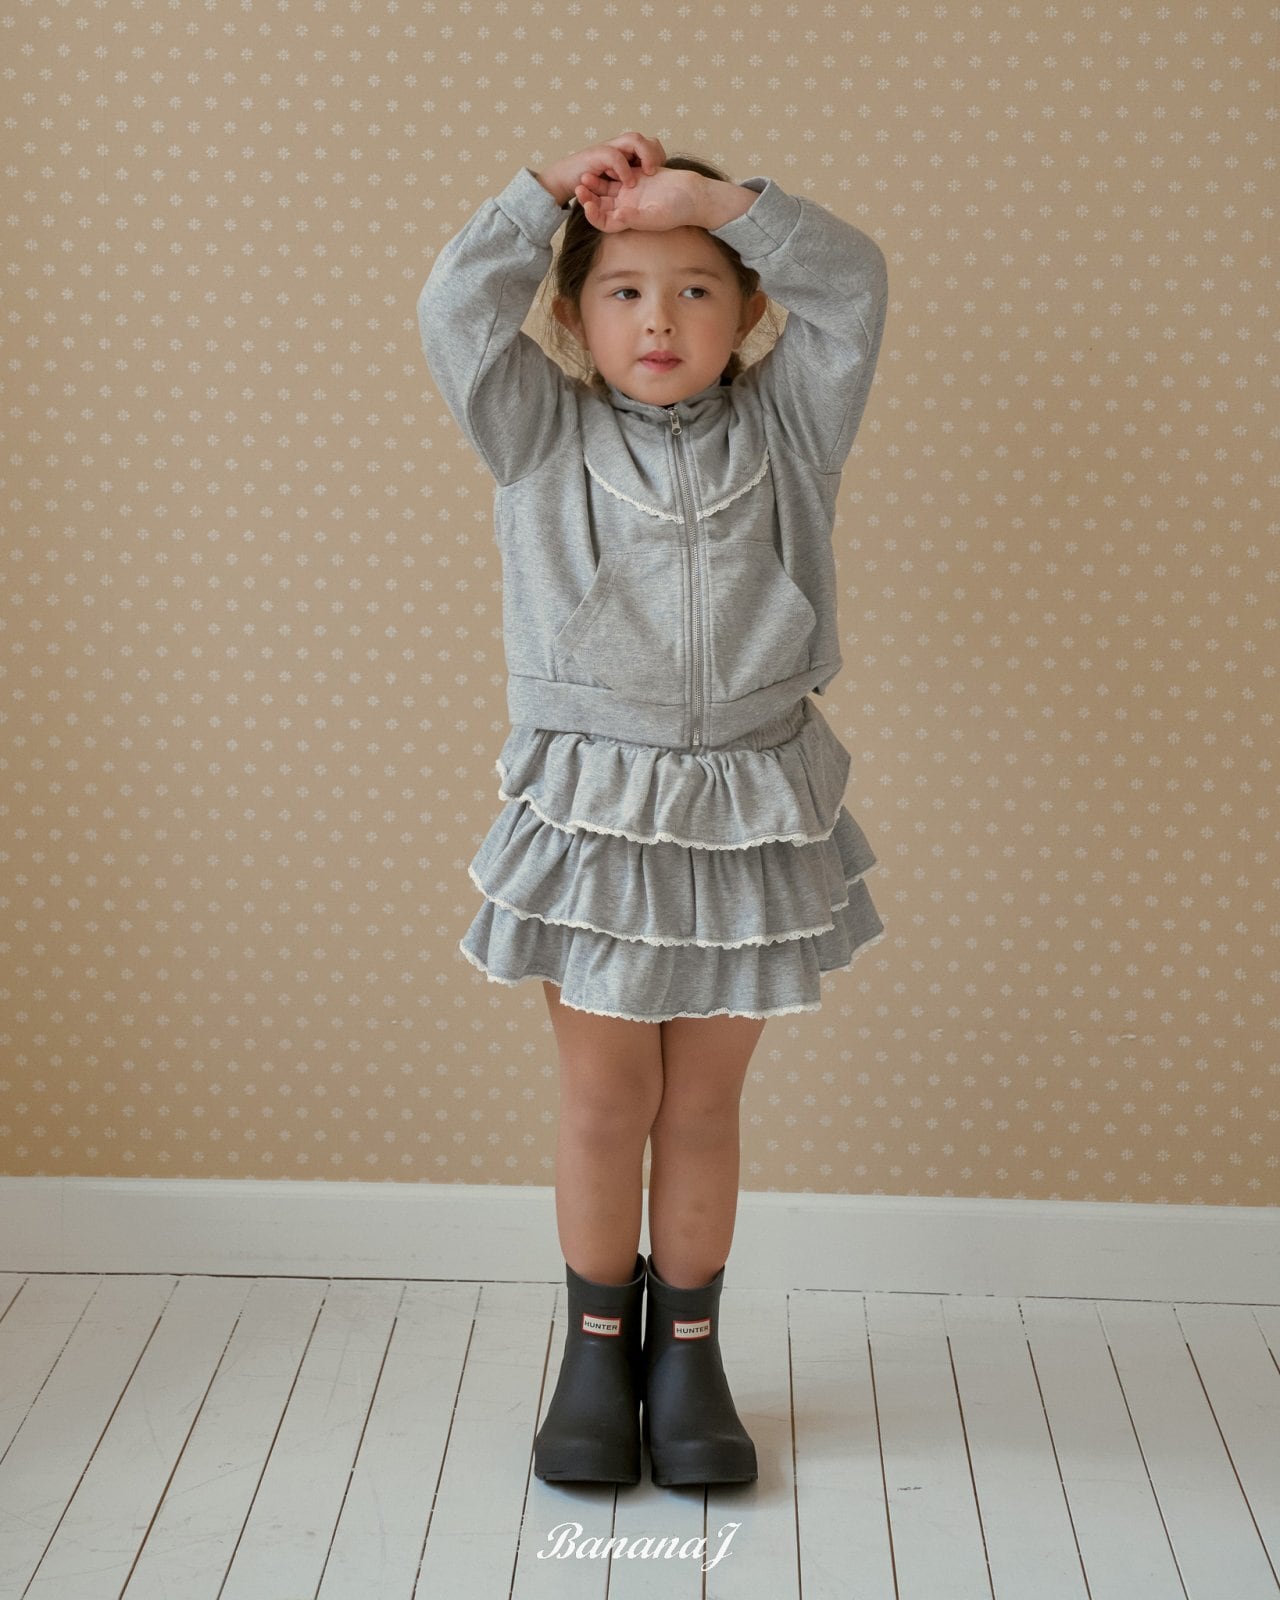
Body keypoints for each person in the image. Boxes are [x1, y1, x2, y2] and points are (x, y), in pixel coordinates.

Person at [416, 132, 889, 1488]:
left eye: (695, 286)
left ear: (747, 308)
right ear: (572, 317)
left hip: (752, 802)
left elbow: (854, 283)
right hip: (600, 805)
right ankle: (593, 1358)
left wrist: (720, 204)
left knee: (703, 1105)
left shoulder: (793, 425)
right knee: (605, 1097)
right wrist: (541, 201)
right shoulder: (538, 431)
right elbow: (454, 308)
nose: (661, 319)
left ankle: (689, 1357)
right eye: (624, 290)